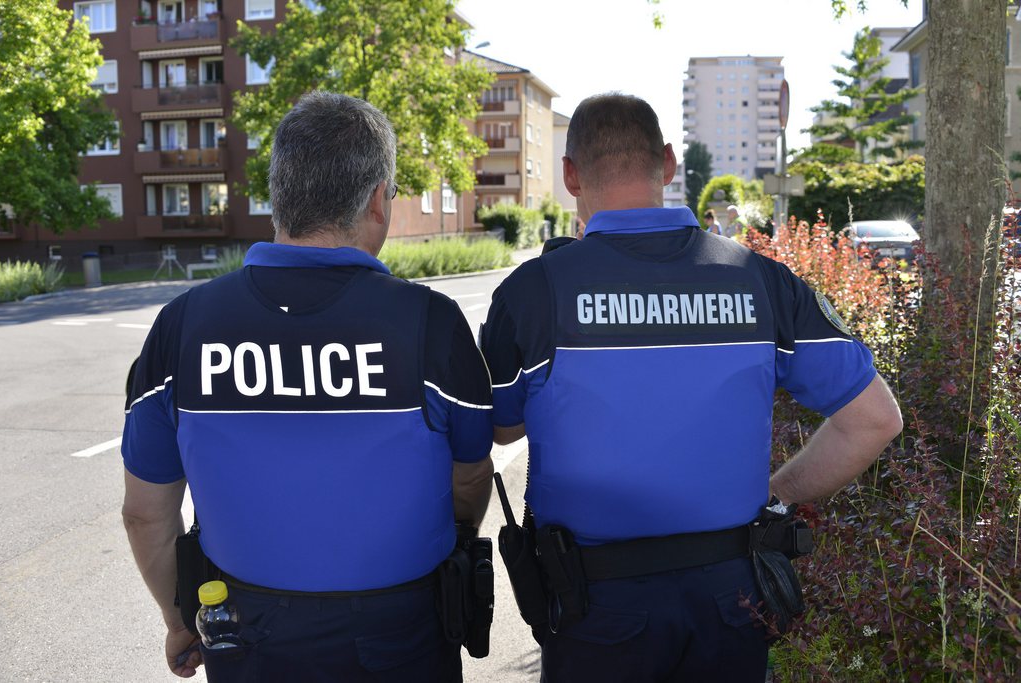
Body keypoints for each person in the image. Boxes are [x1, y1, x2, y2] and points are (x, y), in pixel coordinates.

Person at [480, 93, 902, 682]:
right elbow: (876, 419)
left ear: (570, 175)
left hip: (596, 606)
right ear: (671, 164)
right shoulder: (760, 280)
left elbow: (499, 430)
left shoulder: (533, 293)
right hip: (734, 598)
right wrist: (775, 495)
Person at [121, 92, 494, 683]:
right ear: (378, 200)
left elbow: (146, 515)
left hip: (243, 632)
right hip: (402, 631)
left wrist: (179, 622)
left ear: (279, 197)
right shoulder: (431, 324)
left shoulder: (182, 326)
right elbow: (471, 477)